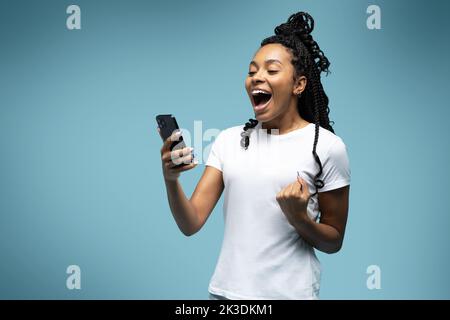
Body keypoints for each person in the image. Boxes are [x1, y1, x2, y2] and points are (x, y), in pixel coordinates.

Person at [158, 11, 350, 300]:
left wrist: (300, 219)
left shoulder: (326, 147)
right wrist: (171, 180)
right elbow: (191, 222)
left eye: (272, 70)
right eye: (252, 71)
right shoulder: (228, 141)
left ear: (299, 84)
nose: (257, 77)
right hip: (225, 296)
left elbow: (334, 240)